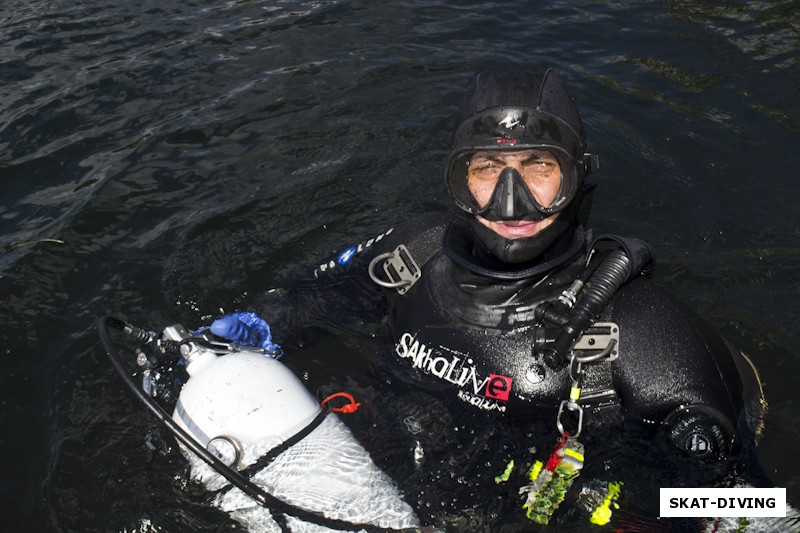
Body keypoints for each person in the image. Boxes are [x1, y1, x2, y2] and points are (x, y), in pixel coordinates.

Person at [203, 66, 767, 530]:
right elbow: (319, 299)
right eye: (487, 169)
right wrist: (261, 324)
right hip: (375, 478)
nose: (512, 202)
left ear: (578, 179)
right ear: (457, 180)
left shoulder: (641, 330)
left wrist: (617, 506)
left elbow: (750, 504)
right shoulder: (414, 251)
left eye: (539, 168)